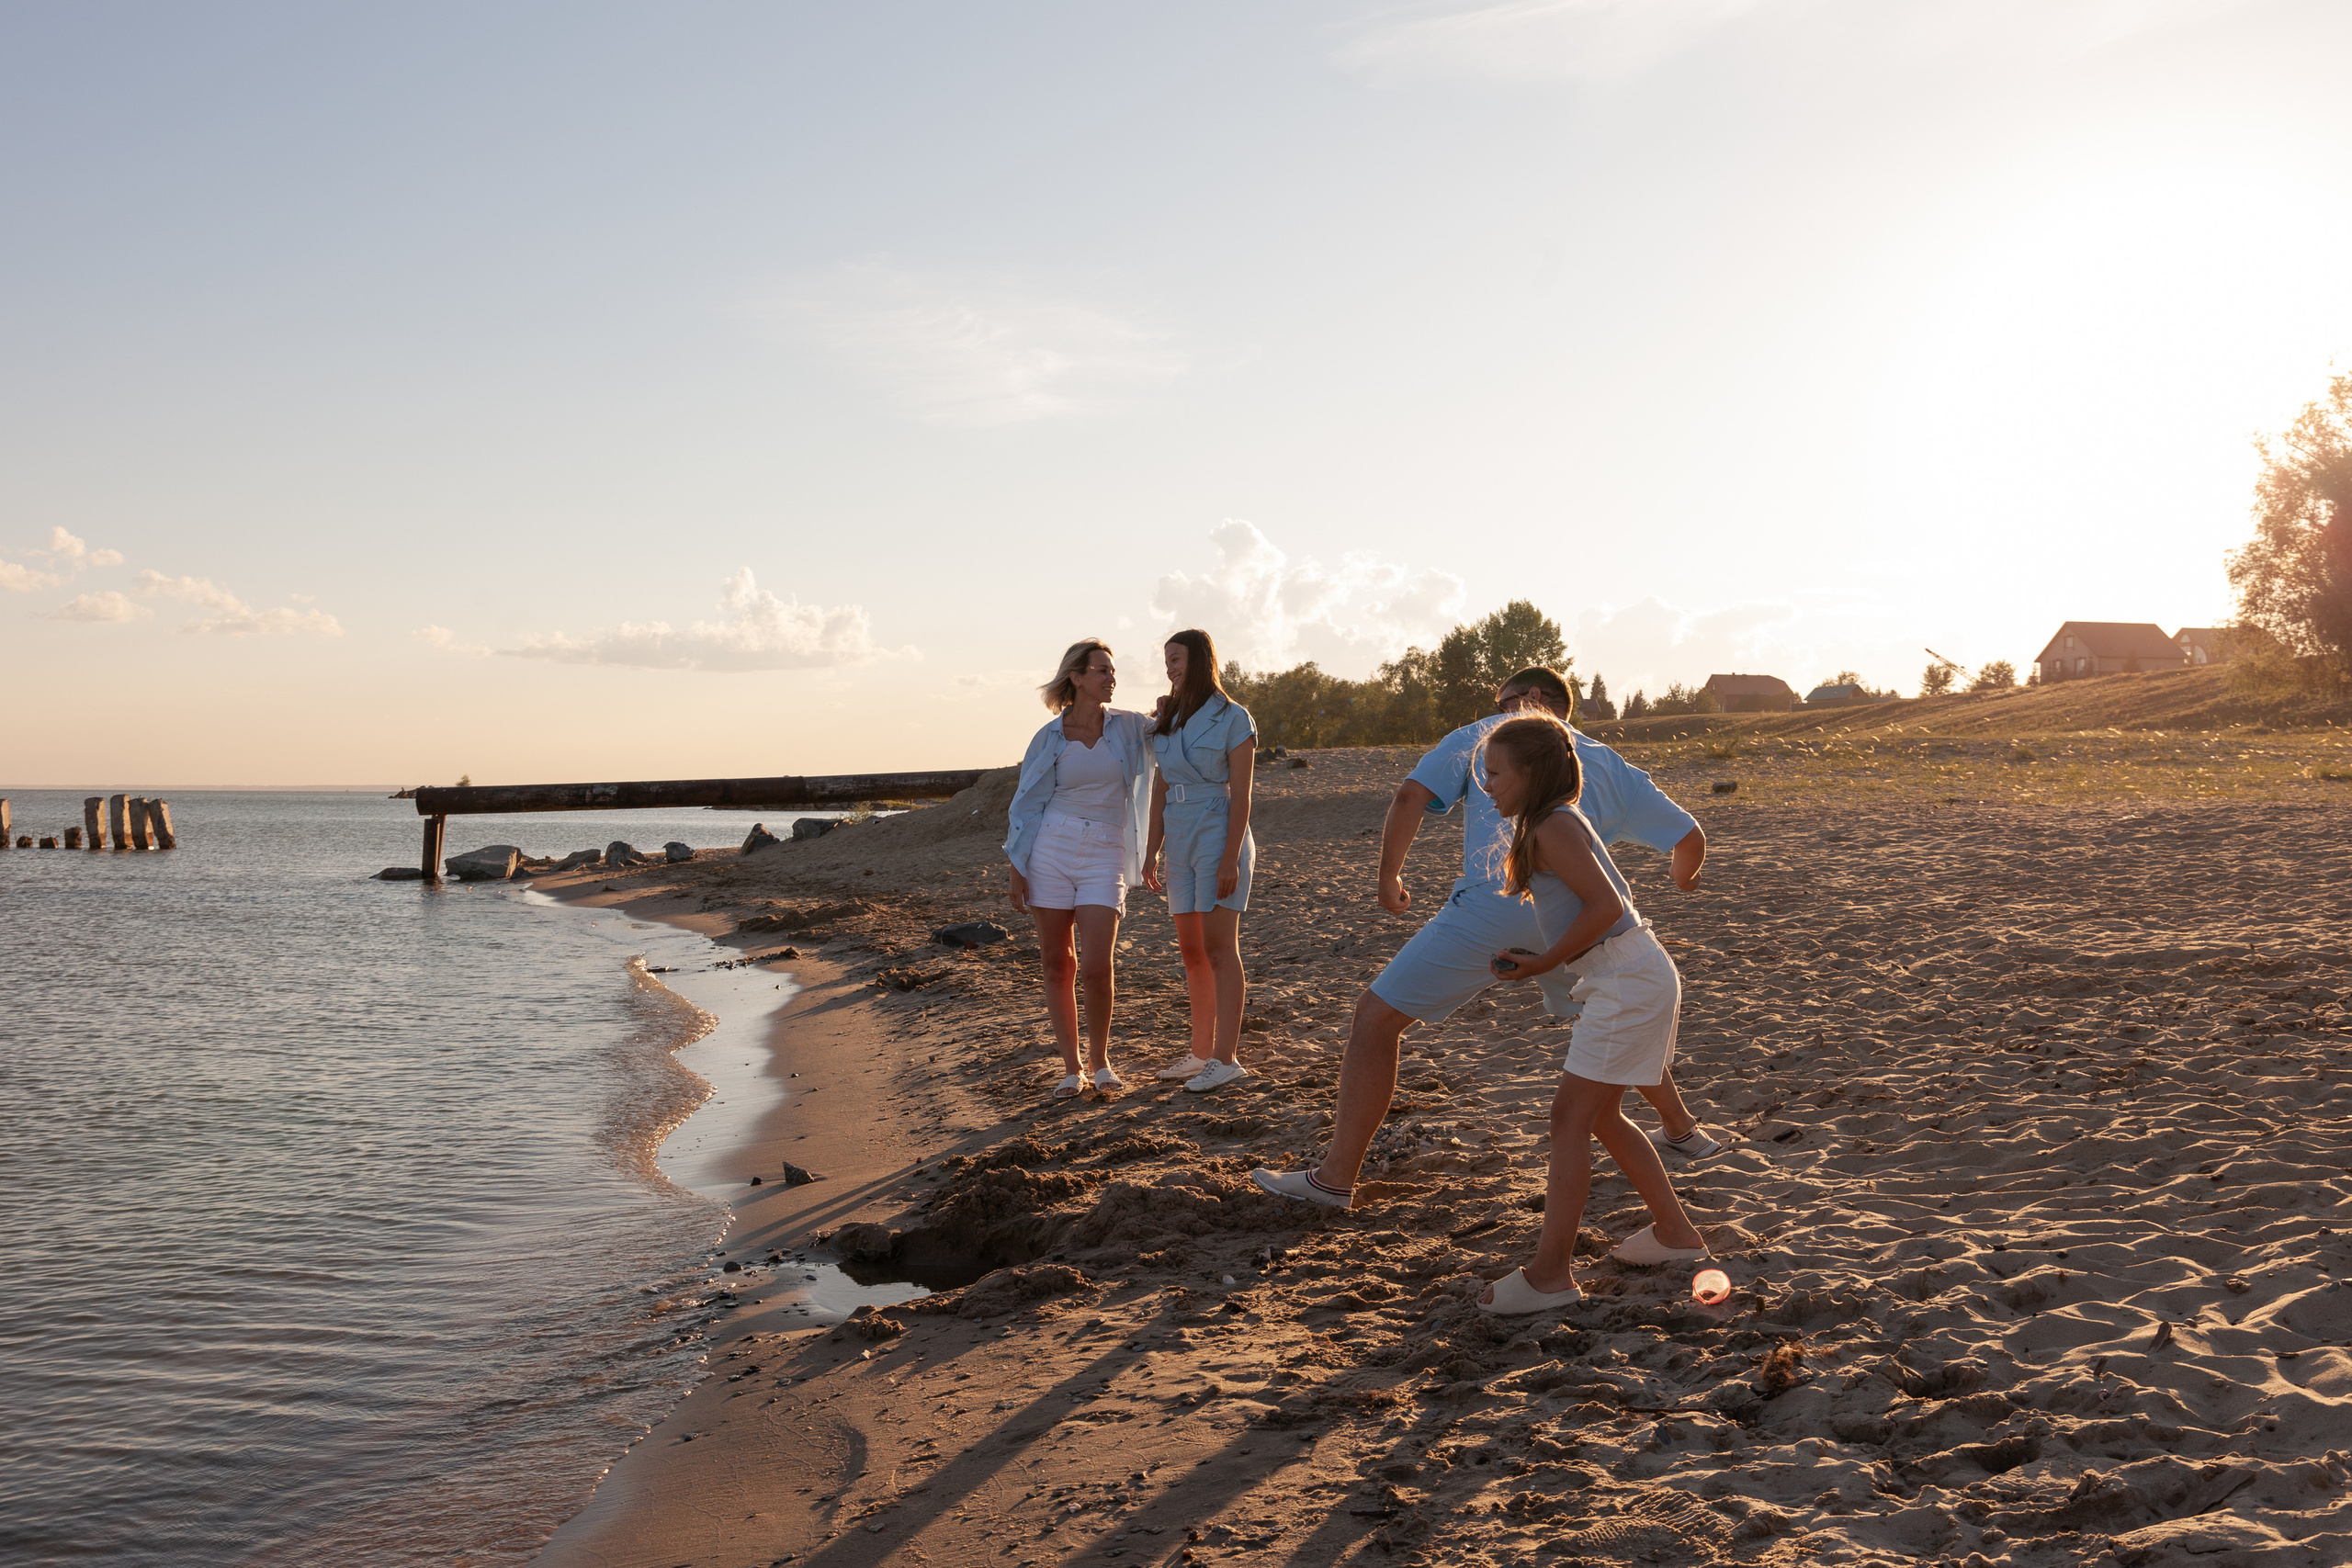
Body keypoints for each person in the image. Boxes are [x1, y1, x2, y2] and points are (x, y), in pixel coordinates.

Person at [1251, 665, 1716, 1212]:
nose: (1496, 715)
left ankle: (1334, 1178)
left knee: (1376, 1018)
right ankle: (1682, 1128)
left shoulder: (1489, 738)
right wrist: (1683, 881)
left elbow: (1409, 797)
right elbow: (1689, 837)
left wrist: (1388, 877)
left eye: (1504, 702)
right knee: (1610, 1014)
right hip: (1583, 927)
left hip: (1496, 911)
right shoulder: (1609, 763)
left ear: (1534, 700)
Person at [1472, 713, 1709, 1314]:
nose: (1487, 784)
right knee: (1599, 1117)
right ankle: (1676, 1234)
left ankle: (1551, 1273)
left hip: (1626, 978)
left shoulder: (1553, 824)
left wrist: (1547, 957)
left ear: (1530, 773)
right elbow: (1602, 908)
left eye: (1496, 773)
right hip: (1626, 973)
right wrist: (1543, 960)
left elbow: (1606, 905)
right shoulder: (1553, 823)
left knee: (1568, 1120)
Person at [1003, 639, 1157, 1099]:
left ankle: (1102, 1060)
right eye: (1102, 671)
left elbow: (1174, 727)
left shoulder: (1129, 727)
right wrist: (1017, 866)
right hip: (1050, 846)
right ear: (1077, 677)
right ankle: (1072, 1069)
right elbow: (1025, 806)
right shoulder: (1048, 736)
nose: (1111, 678)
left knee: (1095, 965)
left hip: (1106, 849)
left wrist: (1172, 701)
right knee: (1057, 963)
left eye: (1112, 671)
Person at [1143, 628, 1257, 1093]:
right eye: (1166, 661)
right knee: (1191, 951)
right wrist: (1151, 850)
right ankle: (1200, 1053)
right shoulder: (1166, 720)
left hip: (1217, 829)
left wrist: (1230, 857)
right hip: (1180, 834)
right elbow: (1160, 787)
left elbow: (1244, 796)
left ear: (1201, 660)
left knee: (1217, 948)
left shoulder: (1233, 717)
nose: (1170, 667)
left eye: (1177, 659)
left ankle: (1226, 1059)